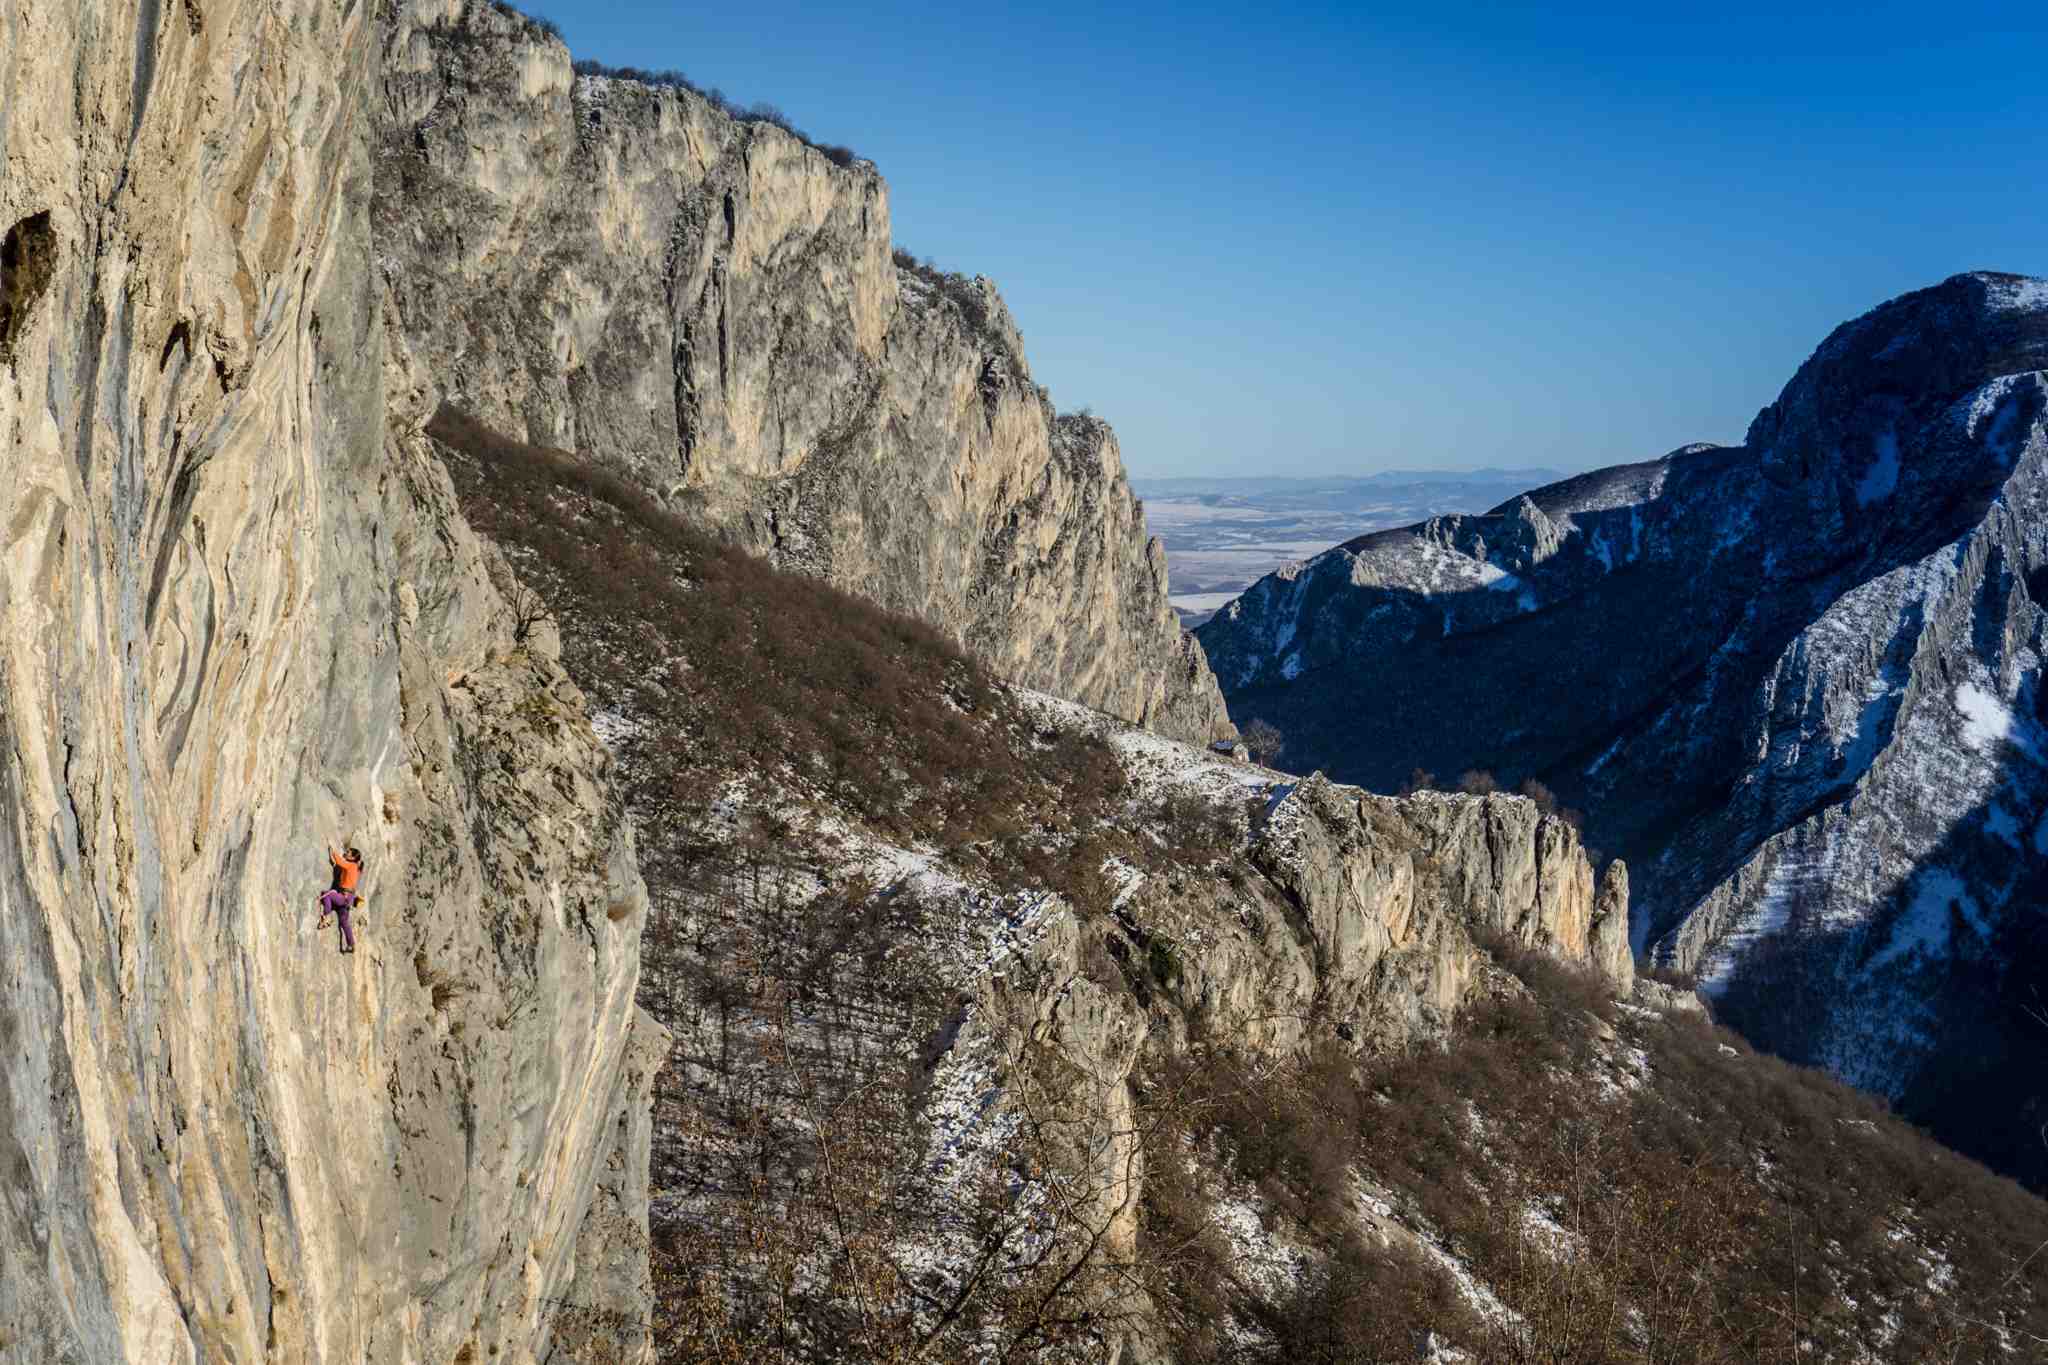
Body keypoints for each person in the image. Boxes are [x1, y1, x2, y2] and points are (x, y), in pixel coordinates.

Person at [317, 888, 357, 954]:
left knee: (327, 895)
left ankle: (326, 917)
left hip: (344, 897)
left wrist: (326, 912)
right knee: (344, 922)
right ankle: (351, 944)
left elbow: (329, 895)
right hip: (347, 900)